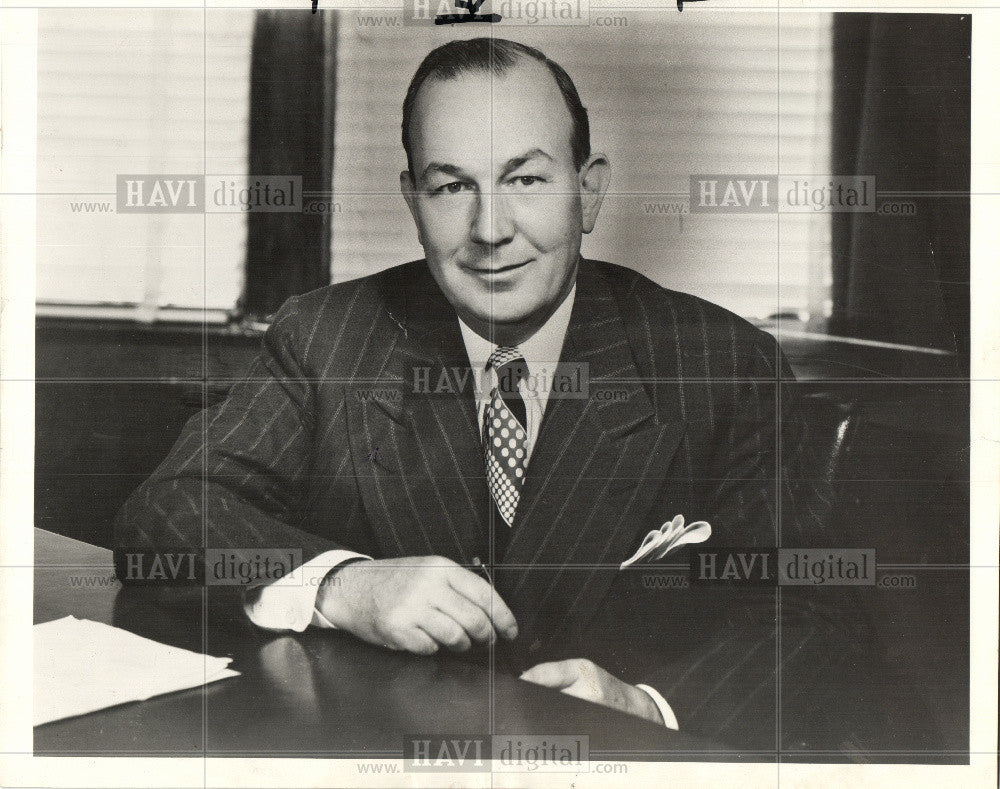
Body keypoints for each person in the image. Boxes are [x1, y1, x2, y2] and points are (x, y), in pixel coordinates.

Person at [116, 37, 890, 750]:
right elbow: (167, 510)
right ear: (414, 199)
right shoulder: (328, 338)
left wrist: (649, 708)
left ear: (588, 193)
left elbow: (816, 618)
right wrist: (342, 585)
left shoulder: (722, 363)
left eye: (525, 178)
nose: (490, 228)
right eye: (452, 186)